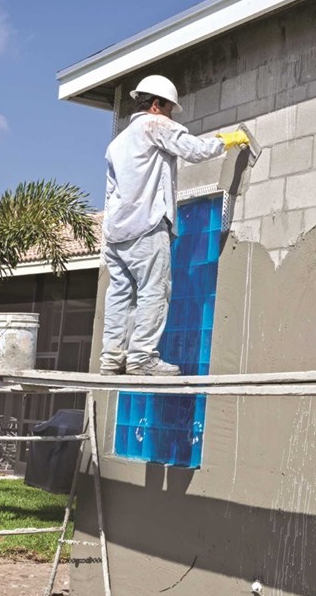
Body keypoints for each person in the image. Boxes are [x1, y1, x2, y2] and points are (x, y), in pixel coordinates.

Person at [99, 74, 249, 376]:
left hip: (117, 232)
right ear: (156, 105)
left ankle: (112, 359)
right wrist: (226, 141)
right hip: (146, 226)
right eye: (169, 109)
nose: (171, 115)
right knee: (154, 291)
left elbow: (109, 193)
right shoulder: (154, 125)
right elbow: (193, 149)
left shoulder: (116, 144)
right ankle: (141, 358)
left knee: (119, 294)